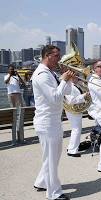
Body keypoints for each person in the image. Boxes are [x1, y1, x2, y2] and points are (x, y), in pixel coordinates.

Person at [32, 45, 75, 200]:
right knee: (51, 158)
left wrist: (68, 81)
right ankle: (54, 193)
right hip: (47, 122)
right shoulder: (42, 75)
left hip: (54, 121)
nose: (59, 59)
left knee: (52, 157)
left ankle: (41, 182)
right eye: (57, 56)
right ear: (48, 56)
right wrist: (63, 80)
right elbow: (55, 98)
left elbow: (67, 92)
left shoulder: (50, 73)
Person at [64, 76, 90, 157]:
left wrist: (82, 84)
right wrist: (84, 96)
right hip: (73, 110)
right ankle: (73, 151)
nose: (78, 78)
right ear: (71, 78)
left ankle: (71, 147)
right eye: (76, 77)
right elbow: (71, 100)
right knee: (76, 129)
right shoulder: (70, 87)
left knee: (75, 129)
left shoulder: (75, 85)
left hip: (75, 110)